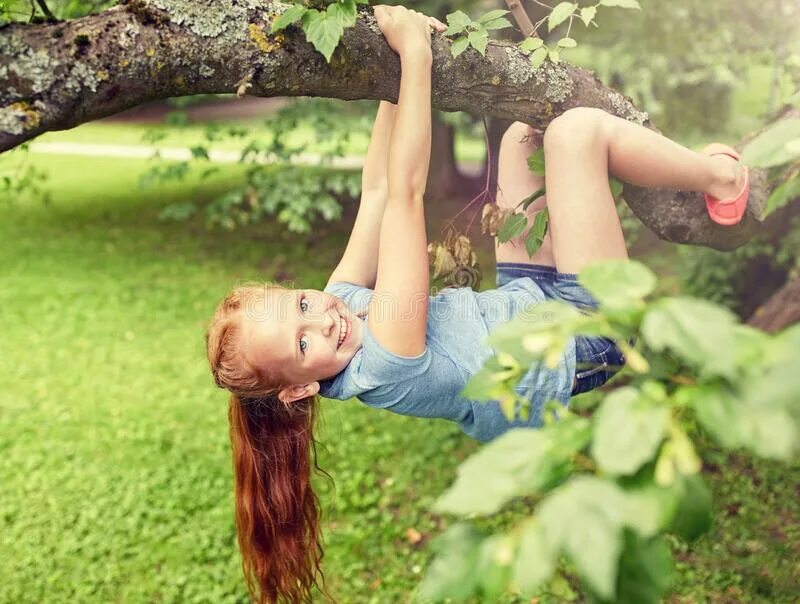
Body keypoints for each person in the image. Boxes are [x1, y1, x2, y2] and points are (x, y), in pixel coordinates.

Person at [205, 5, 750, 602]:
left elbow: (379, 188)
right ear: (299, 390)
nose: (323, 318)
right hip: (583, 341)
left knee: (524, 135)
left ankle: (657, 165)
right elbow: (407, 196)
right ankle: (720, 177)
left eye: (302, 303)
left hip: (526, 301)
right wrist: (415, 54)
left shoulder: (338, 307)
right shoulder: (385, 357)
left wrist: (391, 77)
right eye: (302, 342)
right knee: (575, 135)